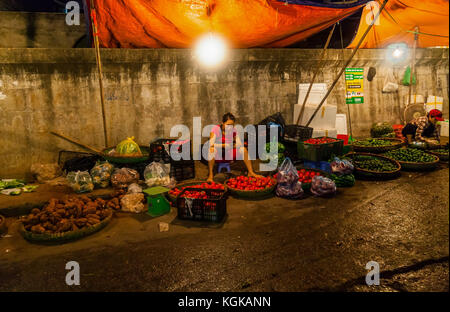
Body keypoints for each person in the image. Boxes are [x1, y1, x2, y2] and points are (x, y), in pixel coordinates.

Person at [207, 113, 262, 182]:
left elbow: (239, 143)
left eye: (232, 125)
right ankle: (210, 176)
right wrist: (223, 145)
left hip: (229, 154)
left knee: (243, 149)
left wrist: (231, 146)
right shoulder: (216, 129)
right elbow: (211, 144)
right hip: (219, 155)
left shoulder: (234, 130)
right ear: (222, 123)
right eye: (228, 125)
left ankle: (250, 172)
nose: (229, 127)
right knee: (211, 150)